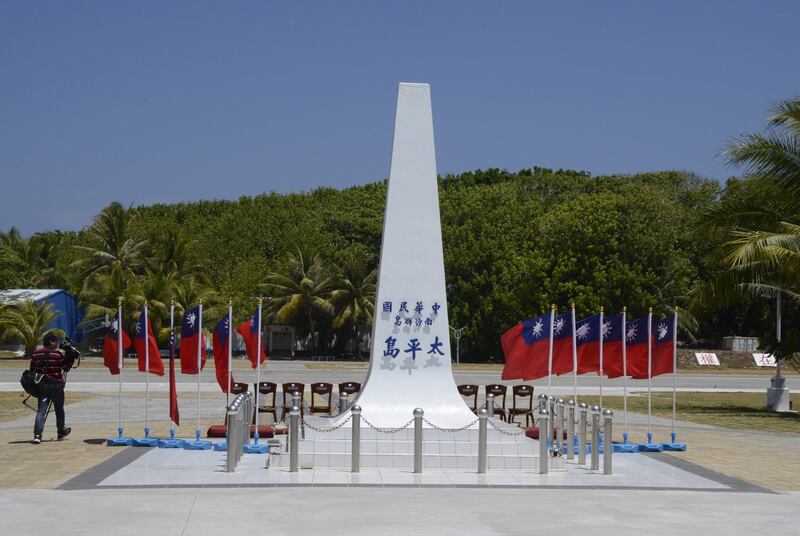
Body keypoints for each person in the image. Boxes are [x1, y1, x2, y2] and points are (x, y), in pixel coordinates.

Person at [30, 333, 72, 444]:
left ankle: (37, 435)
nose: (57, 344)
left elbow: (32, 370)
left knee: (41, 411)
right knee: (59, 409)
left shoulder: (36, 354)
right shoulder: (57, 355)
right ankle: (60, 432)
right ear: (51, 342)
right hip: (56, 386)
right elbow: (66, 368)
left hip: (42, 387)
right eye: (56, 341)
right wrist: (70, 358)